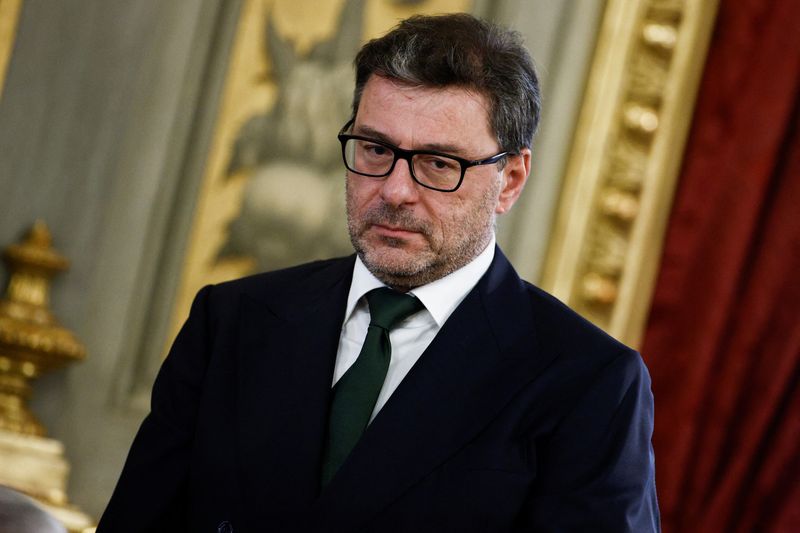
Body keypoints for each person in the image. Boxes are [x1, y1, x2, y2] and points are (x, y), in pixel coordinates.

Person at [98, 13, 659, 533]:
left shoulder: (588, 384)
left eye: (439, 163)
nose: (394, 191)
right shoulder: (231, 322)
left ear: (509, 180)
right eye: (373, 149)